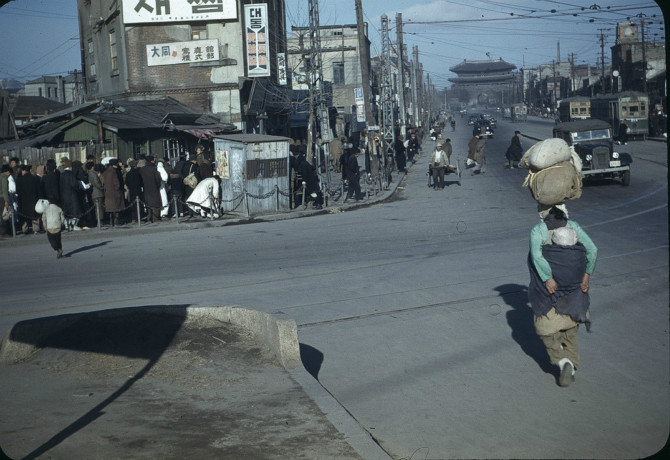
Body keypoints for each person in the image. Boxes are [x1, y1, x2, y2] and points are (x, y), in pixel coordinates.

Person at [528, 205, 598, 387]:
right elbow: (593, 250)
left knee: (547, 334)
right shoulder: (573, 226)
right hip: (575, 299)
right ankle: (572, 366)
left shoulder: (539, 230)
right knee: (570, 334)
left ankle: (562, 361)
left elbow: (536, 256)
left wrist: (548, 277)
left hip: (549, 296)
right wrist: (587, 274)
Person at [58, 159, 85, 231]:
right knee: (75, 212)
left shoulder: (62, 175)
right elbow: (74, 185)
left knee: (67, 212)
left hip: (64, 196)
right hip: (72, 196)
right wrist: (78, 188)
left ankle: (68, 225)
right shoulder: (71, 174)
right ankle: (74, 225)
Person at [16, 165, 41, 234]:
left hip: (23, 201)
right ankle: (35, 229)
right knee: (34, 216)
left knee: (24, 217)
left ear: (23, 171)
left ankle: (25, 229)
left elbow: (17, 191)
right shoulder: (35, 179)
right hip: (34, 200)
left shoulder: (19, 180)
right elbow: (38, 190)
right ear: (29, 170)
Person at [138, 155, 163, 223]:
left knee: (148, 204)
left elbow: (140, 180)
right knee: (155, 204)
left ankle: (149, 217)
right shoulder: (154, 168)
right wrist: (158, 185)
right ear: (152, 161)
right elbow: (158, 180)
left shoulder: (142, 169)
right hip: (154, 189)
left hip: (146, 189)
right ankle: (156, 218)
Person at [101, 158, 125, 226]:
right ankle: (116, 221)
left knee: (110, 208)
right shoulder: (114, 172)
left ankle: (111, 221)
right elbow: (116, 183)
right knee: (117, 207)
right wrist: (118, 188)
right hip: (115, 192)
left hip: (107, 192)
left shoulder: (105, 172)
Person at [1, 165, 12, 238]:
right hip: (2, 198)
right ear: (7, 172)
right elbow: (5, 190)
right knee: (4, 215)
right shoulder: (4, 178)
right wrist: (6, 201)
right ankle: (4, 232)